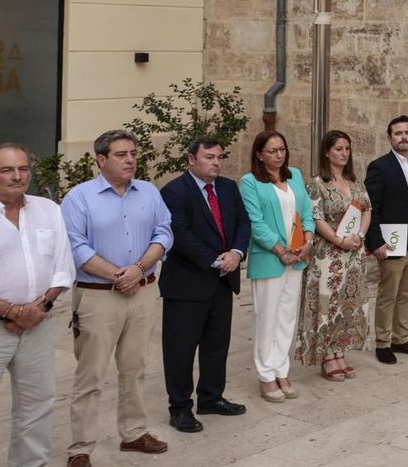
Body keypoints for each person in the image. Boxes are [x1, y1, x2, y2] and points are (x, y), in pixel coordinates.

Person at [62, 129, 173, 462]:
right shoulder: (79, 198)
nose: (130, 159)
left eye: (134, 153)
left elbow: (164, 232)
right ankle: (81, 447)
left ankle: (134, 433)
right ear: (101, 160)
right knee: (90, 374)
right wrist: (117, 275)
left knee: (135, 367)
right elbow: (75, 246)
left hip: (142, 292)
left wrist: (138, 270)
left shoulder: (149, 192)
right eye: (121, 154)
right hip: (98, 296)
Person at [0, 143, 73, 467]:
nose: (17, 176)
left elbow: (64, 267)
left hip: (39, 325)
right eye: (7, 169)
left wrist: (39, 309)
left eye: (23, 169)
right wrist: (13, 312)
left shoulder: (48, 209)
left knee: (37, 406)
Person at [158, 138, 249, 432]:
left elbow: (242, 224)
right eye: (209, 157)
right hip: (187, 285)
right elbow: (180, 234)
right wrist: (215, 260)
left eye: (219, 157)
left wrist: (236, 253)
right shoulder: (174, 191)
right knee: (180, 351)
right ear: (191, 160)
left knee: (216, 345)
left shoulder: (228, 187)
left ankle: (211, 398)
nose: (216, 163)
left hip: (222, 282)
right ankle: (180, 408)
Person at [239, 130, 315, 403]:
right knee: (267, 318)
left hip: (297, 257)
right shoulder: (249, 182)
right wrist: (280, 250)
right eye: (272, 151)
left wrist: (308, 239)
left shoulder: (294, 175)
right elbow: (255, 222)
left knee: (287, 317)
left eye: (282, 149)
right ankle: (266, 375)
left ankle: (282, 370)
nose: (279, 155)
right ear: (259, 154)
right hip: (271, 258)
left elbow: (306, 212)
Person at [295, 130, 371, 380]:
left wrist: (359, 236)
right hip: (328, 253)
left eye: (347, 149)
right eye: (339, 149)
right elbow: (316, 218)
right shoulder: (316, 183)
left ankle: (340, 350)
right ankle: (326, 355)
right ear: (327, 152)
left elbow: (367, 209)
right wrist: (339, 240)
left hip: (354, 252)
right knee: (329, 303)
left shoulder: (355, 181)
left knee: (348, 303)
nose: (344, 153)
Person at [364, 115, 408, 364]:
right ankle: (383, 342)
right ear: (389, 137)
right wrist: (376, 242)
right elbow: (371, 207)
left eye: (407, 132)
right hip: (392, 239)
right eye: (398, 133)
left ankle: (401, 338)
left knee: (407, 293)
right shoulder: (379, 167)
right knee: (389, 293)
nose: (403, 137)